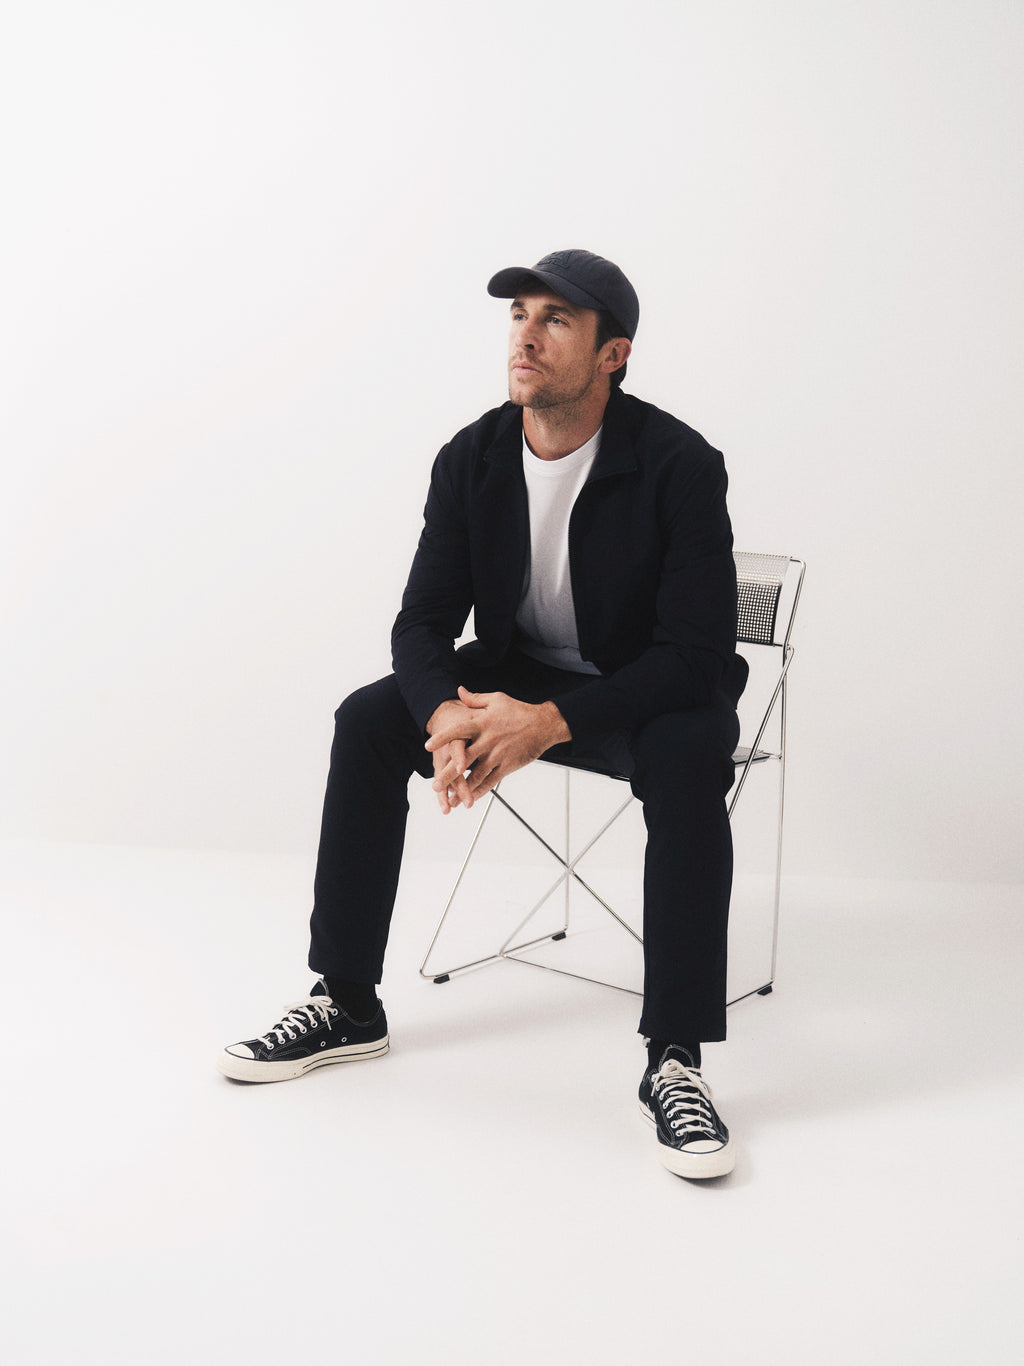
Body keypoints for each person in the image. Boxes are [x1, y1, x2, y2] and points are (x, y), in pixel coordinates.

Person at [218, 249, 748, 1180]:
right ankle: (347, 1002)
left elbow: (695, 655)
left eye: (556, 321)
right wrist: (441, 719)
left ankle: (675, 1058)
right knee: (364, 721)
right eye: (519, 316)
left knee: (692, 751)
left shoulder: (681, 466)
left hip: (643, 687)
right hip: (510, 673)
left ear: (612, 354)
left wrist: (545, 722)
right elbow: (423, 621)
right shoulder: (471, 458)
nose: (526, 336)